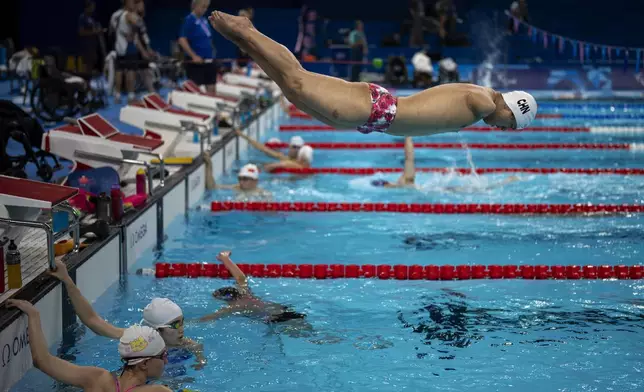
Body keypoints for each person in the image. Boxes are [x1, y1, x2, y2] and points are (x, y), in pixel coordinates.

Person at [207, 11, 537, 137]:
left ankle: (245, 42)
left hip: (373, 121)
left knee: (290, 89)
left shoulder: (482, 101)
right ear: (510, 107)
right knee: (297, 77)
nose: (501, 129)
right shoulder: (482, 100)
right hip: (379, 109)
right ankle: (247, 30)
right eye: (509, 125)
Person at [47, 259, 207, 371]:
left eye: (182, 322)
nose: (182, 329)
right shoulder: (140, 339)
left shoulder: (184, 343)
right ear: (158, 330)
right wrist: (67, 280)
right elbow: (93, 321)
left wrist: (201, 361)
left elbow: (197, 347)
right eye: (176, 324)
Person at [6, 299, 171, 392]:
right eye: (163, 356)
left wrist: (33, 315)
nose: (166, 361)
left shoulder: (96, 378)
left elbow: (42, 360)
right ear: (143, 363)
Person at [199, 251, 312, 336]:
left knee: (306, 336)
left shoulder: (233, 306)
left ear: (226, 298)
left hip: (276, 319)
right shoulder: (246, 293)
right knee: (312, 334)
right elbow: (240, 277)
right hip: (284, 310)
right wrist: (225, 258)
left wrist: (186, 322)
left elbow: (208, 318)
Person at [371, 136, 521, 191]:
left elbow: (409, 158)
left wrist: (408, 134)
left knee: (477, 189)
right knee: (478, 189)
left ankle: (505, 181)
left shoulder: (404, 181)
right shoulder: (403, 183)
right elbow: (409, 159)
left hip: (440, 190)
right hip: (439, 190)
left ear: (386, 185)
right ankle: (505, 181)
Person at [111, 0, 151, 103]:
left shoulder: (116, 15)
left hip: (119, 46)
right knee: (130, 71)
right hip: (128, 47)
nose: (134, 4)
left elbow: (112, 29)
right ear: (127, 3)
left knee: (119, 71)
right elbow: (139, 24)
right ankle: (131, 96)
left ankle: (117, 95)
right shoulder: (129, 15)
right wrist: (139, 13)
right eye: (132, 2)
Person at [178, 0, 217, 94]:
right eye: (203, 6)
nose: (205, 9)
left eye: (206, 7)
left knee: (212, 89)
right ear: (195, 5)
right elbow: (182, 40)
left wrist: (212, 50)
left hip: (209, 61)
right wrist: (193, 56)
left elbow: (208, 38)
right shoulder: (189, 19)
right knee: (195, 91)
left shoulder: (204, 20)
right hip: (196, 63)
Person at [236, 131, 313, 172]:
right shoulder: (284, 158)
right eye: (294, 147)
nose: (296, 150)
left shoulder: (291, 163)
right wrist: (243, 135)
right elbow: (264, 149)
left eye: (298, 148)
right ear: (289, 147)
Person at [204, 158, 272, 199]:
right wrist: (209, 166)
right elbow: (212, 187)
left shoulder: (264, 194)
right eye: (240, 178)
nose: (241, 182)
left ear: (255, 181)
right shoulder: (236, 187)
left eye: (245, 179)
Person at [78, 0, 103, 75]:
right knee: (87, 66)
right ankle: (85, 83)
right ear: (87, 7)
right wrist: (95, 32)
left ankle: (90, 82)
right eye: (92, 7)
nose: (93, 8)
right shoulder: (82, 17)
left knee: (92, 64)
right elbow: (81, 32)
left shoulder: (92, 18)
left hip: (93, 46)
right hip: (86, 47)